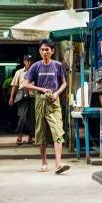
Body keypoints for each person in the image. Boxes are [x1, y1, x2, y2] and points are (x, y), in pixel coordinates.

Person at [22, 39, 70, 174]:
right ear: (40, 51)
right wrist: (41, 89)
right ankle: (44, 161)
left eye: (47, 50)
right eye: (42, 50)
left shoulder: (58, 65)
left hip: (54, 102)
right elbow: (25, 84)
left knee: (58, 132)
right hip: (40, 102)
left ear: (52, 51)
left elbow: (64, 83)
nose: (44, 52)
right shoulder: (36, 66)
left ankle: (58, 164)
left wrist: (57, 93)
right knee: (42, 133)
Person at [9, 55, 36, 145]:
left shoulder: (36, 72)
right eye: (27, 60)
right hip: (21, 97)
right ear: (24, 62)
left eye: (30, 60)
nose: (29, 62)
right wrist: (11, 97)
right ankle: (19, 137)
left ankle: (30, 138)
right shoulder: (19, 72)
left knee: (32, 119)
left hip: (33, 97)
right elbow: (14, 85)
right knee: (22, 117)